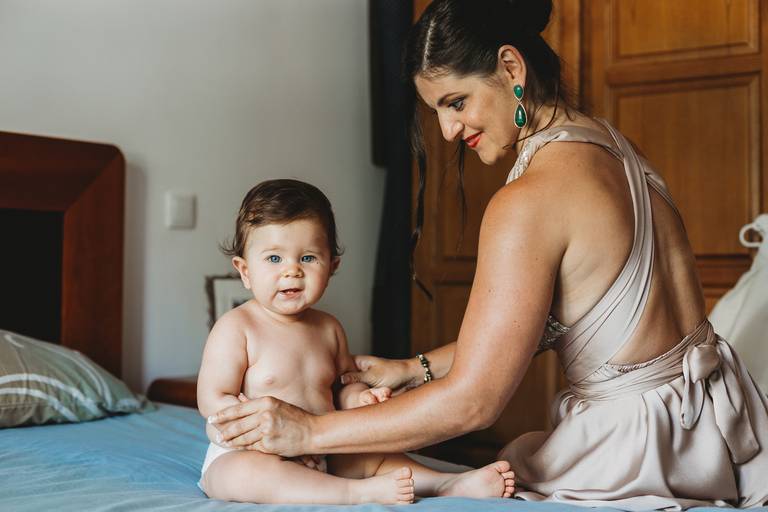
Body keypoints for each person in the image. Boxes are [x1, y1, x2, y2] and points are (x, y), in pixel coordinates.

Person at [206, 1, 768, 508]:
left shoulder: (527, 201)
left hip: (636, 451)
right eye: (438, 112)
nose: (449, 130)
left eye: (456, 102)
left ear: (511, 68)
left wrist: (307, 432)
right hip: (718, 431)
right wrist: (413, 368)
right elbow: (568, 321)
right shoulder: (617, 150)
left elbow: (474, 404)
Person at [196, 178, 516, 505]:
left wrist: (361, 399)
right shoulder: (237, 327)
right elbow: (212, 398)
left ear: (332, 266)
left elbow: (344, 385)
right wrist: (255, 438)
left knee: (372, 452)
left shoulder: (328, 328)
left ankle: (447, 483)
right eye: (274, 259)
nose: (292, 271)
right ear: (244, 270)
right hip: (258, 450)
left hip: (322, 446)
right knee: (241, 475)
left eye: (307, 258)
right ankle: (353, 493)